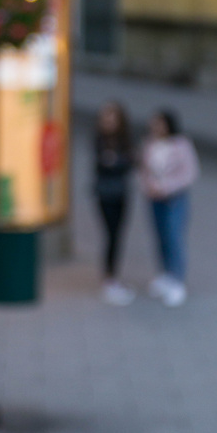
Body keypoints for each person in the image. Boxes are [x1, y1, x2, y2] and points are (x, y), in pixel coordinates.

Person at [140, 110, 199, 307]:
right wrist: (150, 186)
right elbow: (145, 169)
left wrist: (167, 187)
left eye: (160, 124)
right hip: (155, 197)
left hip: (174, 198)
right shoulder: (150, 144)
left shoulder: (181, 144)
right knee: (160, 236)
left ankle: (177, 279)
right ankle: (165, 274)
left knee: (174, 235)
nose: (156, 128)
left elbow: (189, 173)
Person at [93, 101, 135, 305]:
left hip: (120, 193)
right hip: (105, 193)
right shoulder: (100, 139)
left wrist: (116, 161)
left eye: (112, 118)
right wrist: (118, 162)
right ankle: (109, 277)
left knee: (118, 234)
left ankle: (113, 275)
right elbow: (105, 165)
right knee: (110, 234)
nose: (108, 122)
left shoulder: (123, 140)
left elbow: (126, 163)